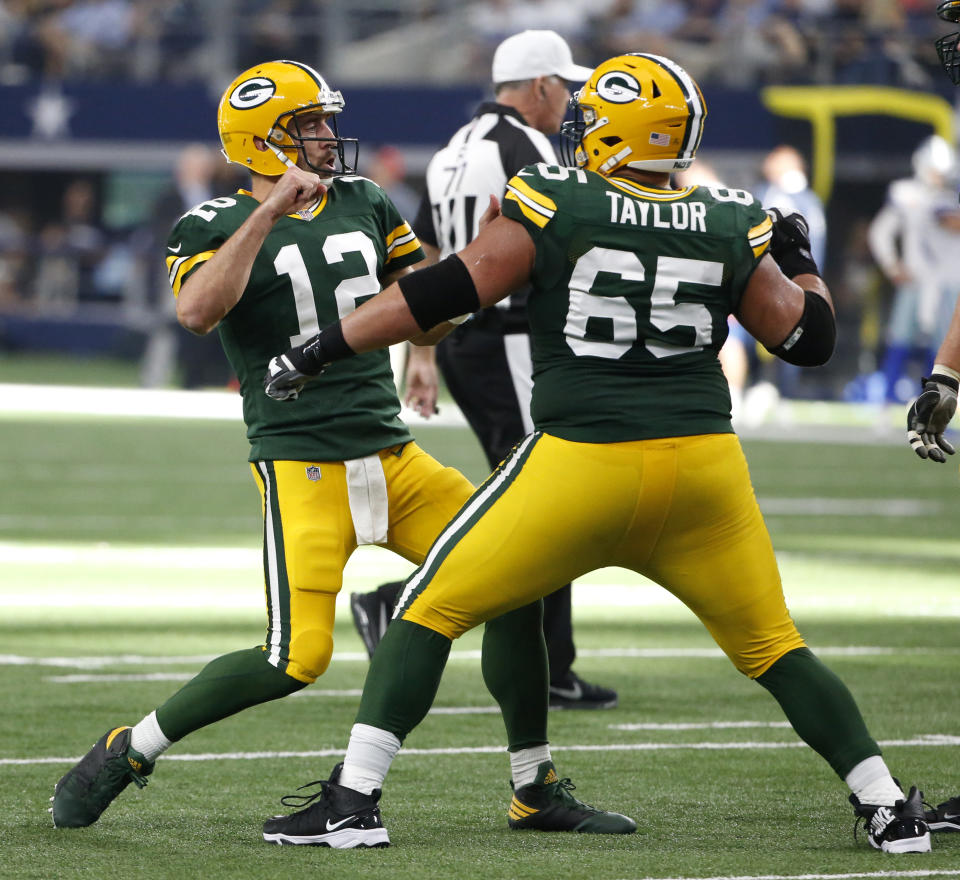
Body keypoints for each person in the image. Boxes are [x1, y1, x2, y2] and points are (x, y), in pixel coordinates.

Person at [261, 53, 932, 853]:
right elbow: (808, 339)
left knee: (425, 608)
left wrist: (319, 349)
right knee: (775, 648)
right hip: (703, 475)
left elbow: (448, 290)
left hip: (583, 465)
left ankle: (353, 801)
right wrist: (800, 260)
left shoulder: (559, 198)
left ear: (617, 128)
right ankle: (887, 807)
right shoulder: (729, 215)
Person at [49, 59, 633, 840]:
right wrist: (269, 214)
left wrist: (469, 284)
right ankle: (131, 749)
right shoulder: (212, 222)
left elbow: (424, 309)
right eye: (311, 125)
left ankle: (536, 786)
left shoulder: (362, 199)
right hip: (303, 461)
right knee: (294, 660)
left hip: (394, 455)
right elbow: (196, 310)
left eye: (326, 121)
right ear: (266, 141)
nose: (328, 136)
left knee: (517, 577)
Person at [349, 28, 618, 711]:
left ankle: (549, 661)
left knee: (534, 497)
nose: (572, 103)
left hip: (471, 340)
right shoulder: (526, 147)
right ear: (539, 87)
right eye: (566, 88)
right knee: (548, 502)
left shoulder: (452, 149)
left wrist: (425, 349)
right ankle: (412, 605)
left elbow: (427, 255)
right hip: (513, 338)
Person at [867, 133, 960, 405]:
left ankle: (936, 405)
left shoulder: (949, 196)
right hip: (916, 280)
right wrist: (891, 264)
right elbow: (880, 232)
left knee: (945, 350)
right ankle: (884, 401)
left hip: (949, 282)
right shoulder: (906, 193)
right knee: (900, 339)